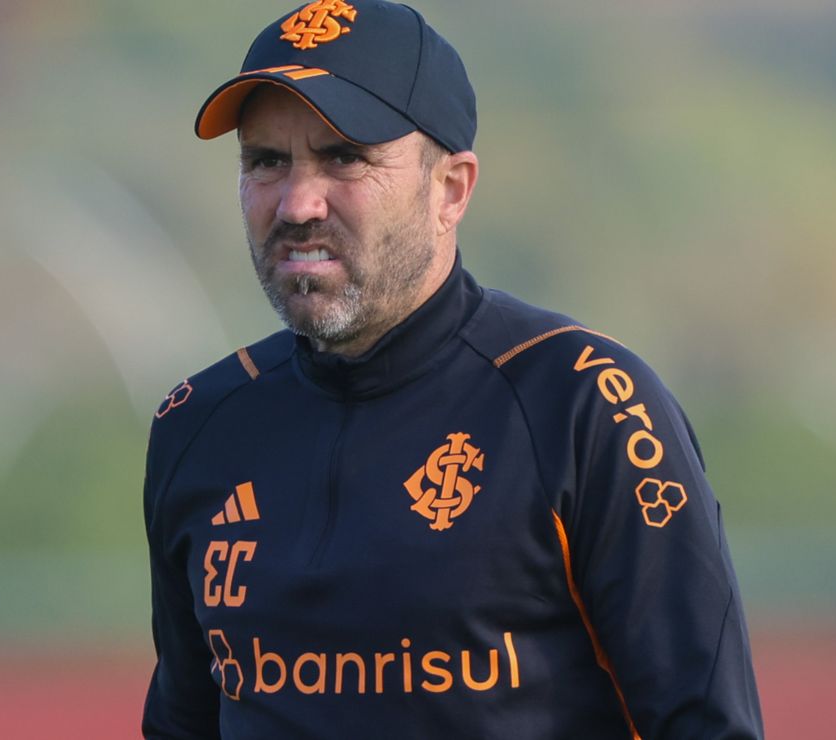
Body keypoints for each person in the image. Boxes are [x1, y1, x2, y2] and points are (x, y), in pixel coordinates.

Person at [141, 1, 764, 737]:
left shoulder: (583, 404)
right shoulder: (198, 424)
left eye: (344, 157)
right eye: (267, 161)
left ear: (451, 190)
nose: (298, 203)